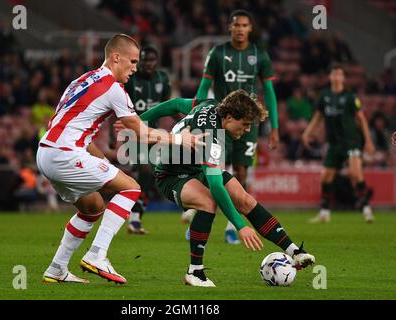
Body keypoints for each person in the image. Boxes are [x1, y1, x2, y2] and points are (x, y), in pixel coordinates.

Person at [37, 34, 205, 284]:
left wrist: (104, 161)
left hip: (47, 153)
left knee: (92, 208)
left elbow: (79, 132)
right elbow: (140, 133)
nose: (135, 68)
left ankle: (57, 268)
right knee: (131, 188)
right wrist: (182, 140)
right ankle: (96, 255)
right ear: (116, 57)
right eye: (133, 61)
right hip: (65, 154)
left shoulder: (81, 81)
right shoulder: (114, 89)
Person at [137, 89, 315, 287]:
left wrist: (138, 120)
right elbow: (216, 187)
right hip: (171, 176)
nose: (247, 130)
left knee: (245, 199)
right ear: (229, 117)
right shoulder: (212, 136)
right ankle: (194, 272)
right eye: (245, 124)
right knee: (208, 202)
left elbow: (177, 104)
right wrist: (241, 226)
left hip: (196, 169)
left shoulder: (210, 104)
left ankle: (294, 252)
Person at [193, 9, 279, 244]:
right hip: (222, 121)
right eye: (236, 25)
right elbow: (204, 86)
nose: (240, 29)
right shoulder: (218, 53)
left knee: (241, 172)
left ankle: (232, 225)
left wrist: (274, 127)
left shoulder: (259, 55)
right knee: (214, 172)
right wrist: (196, 111)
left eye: (244, 25)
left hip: (247, 124)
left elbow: (269, 91)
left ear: (250, 29)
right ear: (230, 27)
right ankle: (200, 213)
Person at [302, 63, 376, 223]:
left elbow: (361, 119)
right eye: (334, 74)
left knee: (356, 174)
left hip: (351, 141)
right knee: (326, 177)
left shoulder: (350, 96)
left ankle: (367, 208)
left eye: (339, 74)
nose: (336, 77)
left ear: (343, 77)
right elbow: (318, 116)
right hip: (334, 143)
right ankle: (324, 212)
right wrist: (307, 133)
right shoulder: (324, 95)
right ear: (330, 77)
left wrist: (368, 141)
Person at [122, 45, 171, 235]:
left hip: (152, 133)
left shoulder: (162, 79)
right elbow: (116, 108)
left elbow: (168, 106)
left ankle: (135, 216)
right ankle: (132, 214)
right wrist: (113, 136)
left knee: (150, 177)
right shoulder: (131, 79)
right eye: (145, 60)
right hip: (132, 132)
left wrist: (185, 122)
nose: (148, 64)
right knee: (145, 170)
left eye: (152, 60)